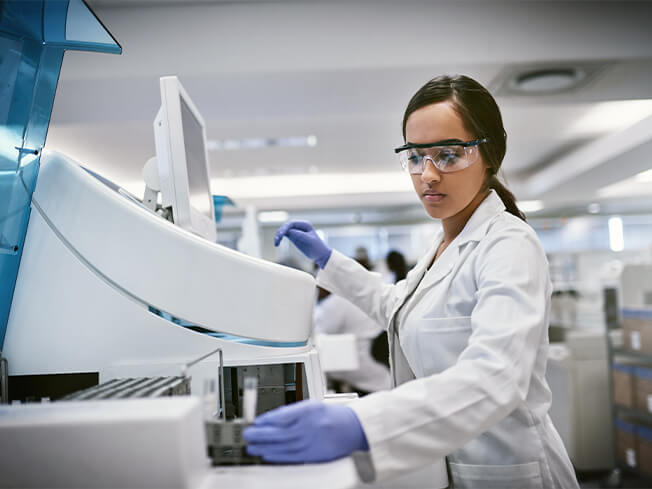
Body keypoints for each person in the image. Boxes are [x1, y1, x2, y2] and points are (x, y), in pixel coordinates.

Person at [243, 75, 579, 489]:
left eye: (449, 155)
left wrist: (362, 424)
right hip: (449, 467)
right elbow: (395, 306)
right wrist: (328, 260)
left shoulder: (509, 246)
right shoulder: (442, 246)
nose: (428, 175)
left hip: (507, 470)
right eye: (416, 157)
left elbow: (497, 376)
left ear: (490, 154)